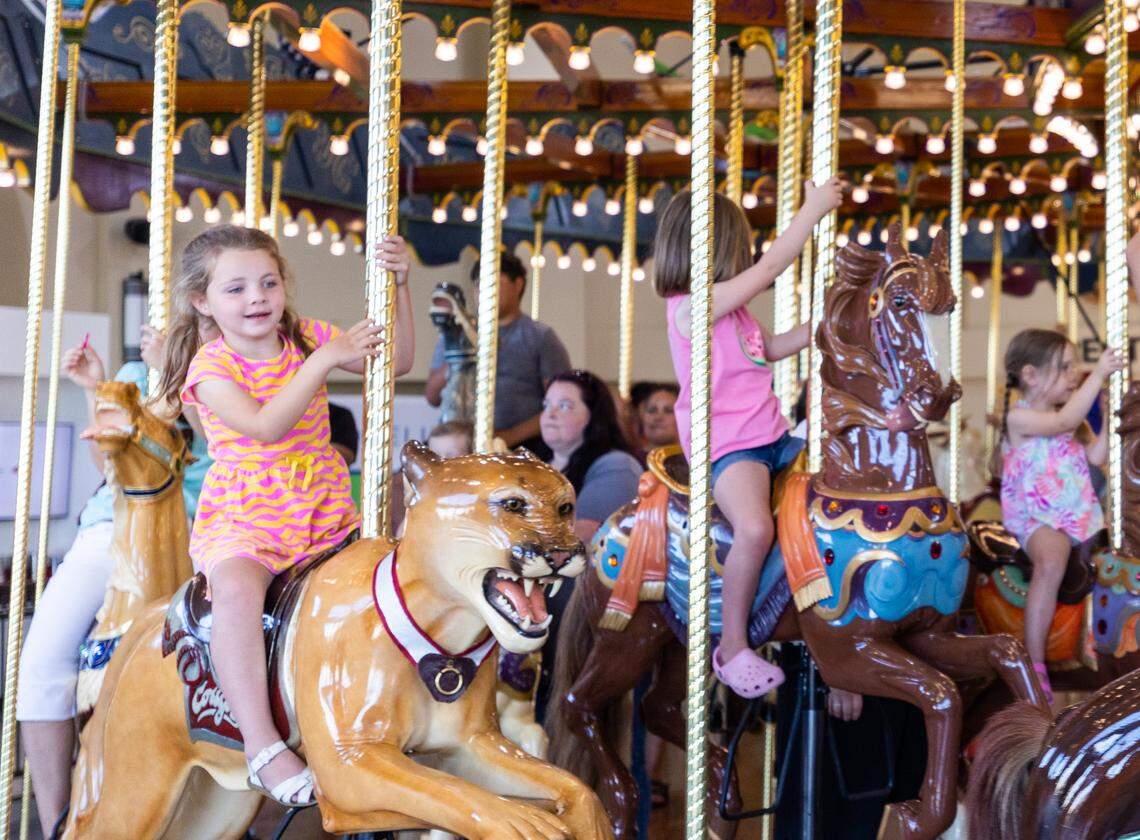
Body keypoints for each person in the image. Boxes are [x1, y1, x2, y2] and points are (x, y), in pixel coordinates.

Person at [156, 225, 414, 806]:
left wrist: (399, 285)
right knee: (240, 596)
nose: (257, 298)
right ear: (203, 302)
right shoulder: (210, 367)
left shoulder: (304, 336)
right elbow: (266, 426)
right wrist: (323, 360)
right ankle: (262, 744)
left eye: (269, 282)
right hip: (247, 515)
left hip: (321, 507)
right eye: (237, 288)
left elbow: (393, 363)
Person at [655, 179, 843, 698]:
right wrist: (811, 212)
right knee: (756, 529)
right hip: (729, 446)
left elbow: (772, 348)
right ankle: (734, 646)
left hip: (774, 436)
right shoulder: (690, 308)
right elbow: (769, 270)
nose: (747, 257)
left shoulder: (732, 312)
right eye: (739, 245)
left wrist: (823, 324)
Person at [998, 328, 1123, 702]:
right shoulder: (1019, 420)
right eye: (1065, 368)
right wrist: (1098, 375)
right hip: (1037, 520)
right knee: (1052, 560)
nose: (1074, 375)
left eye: (1076, 368)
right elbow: (1062, 423)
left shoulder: (1071, 420)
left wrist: (1116, 414)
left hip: (1078, 517)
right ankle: (1032, 664)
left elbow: (1095, 458)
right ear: (1031, 376)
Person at [534, 369, 642, 721]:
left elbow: (580, 535)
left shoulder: (614, 465)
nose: (550, 413)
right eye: (547, 404)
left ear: (592, 416)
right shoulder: (536, 467)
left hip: (585, 600)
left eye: (565, 405)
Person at [424, 252, 570, 457]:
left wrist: (508, 436)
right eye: (477, 285)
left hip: (520, 444)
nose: (483, 291)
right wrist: (460, 356)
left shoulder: (540, 337)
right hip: (459, 441)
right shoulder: (456, 334)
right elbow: (432, 396)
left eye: (493, 283)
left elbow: (559, 401)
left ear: (518, 285)